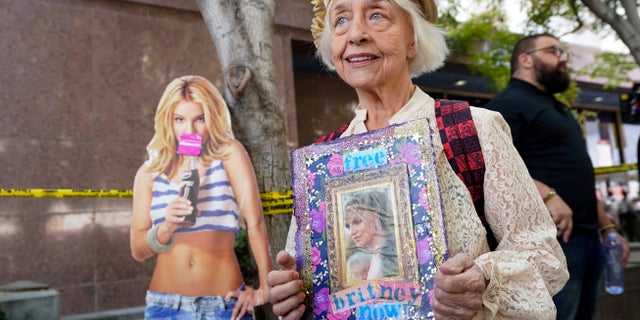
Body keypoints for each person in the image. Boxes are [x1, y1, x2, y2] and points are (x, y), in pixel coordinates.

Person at [268, 1, 569, 319]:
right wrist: (295, 294)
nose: (356, 33)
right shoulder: (323, 161)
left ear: (413, 38)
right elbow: (311, 283)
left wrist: (482, 278)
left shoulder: (470, 128)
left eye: (377, 16)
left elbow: (545, 257)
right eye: (340, 20)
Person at [482, 34, 630, 320]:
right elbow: (486, 160)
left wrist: (608, 227)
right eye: (554, 51)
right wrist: (547, 193)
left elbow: (579, 177)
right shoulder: (510, 102)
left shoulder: (556, 106)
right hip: (552, 241)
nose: (563, 58)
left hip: (589, 239)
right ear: (525, 59)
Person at [130, 75, 271, 319]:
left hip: (224, 306)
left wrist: (265, 287)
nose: (190, 130)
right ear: (168, 121)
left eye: (199, 119)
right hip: (165, 307)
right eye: (180, 120)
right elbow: (138, 250)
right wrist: (166, 226)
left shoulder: (228, 154)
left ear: (212, 117)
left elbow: (255, 222)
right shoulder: (149, 173)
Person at [343, 189, 399, 280]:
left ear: (375, 217)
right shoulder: (375, 257)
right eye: (348, 226)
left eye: (357, 222)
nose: (351, 232)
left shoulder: (392, 256)